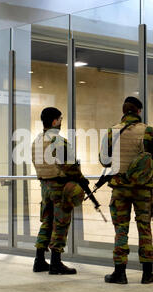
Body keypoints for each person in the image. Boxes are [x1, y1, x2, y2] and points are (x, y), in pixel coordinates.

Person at [99, 96, 153, 284]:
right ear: (139, 111)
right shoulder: (149, 131)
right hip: (142, 189)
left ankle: (119, 273)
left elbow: (104, 160)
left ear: (124, 111)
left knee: (121, 229)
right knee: (144, 227)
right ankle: (147, 273)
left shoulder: (111, 132)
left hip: (120, 189)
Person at [31, 107, 85, 275]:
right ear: (54, 121)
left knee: (46, 222)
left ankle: (39, 260)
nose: (61, 122)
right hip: (59, 187)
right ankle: (56, 262)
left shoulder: (37, 141)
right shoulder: (59, 141)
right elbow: (70, 166)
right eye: (60, 119)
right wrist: (82, 179)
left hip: (44, 187)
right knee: (61, 223)